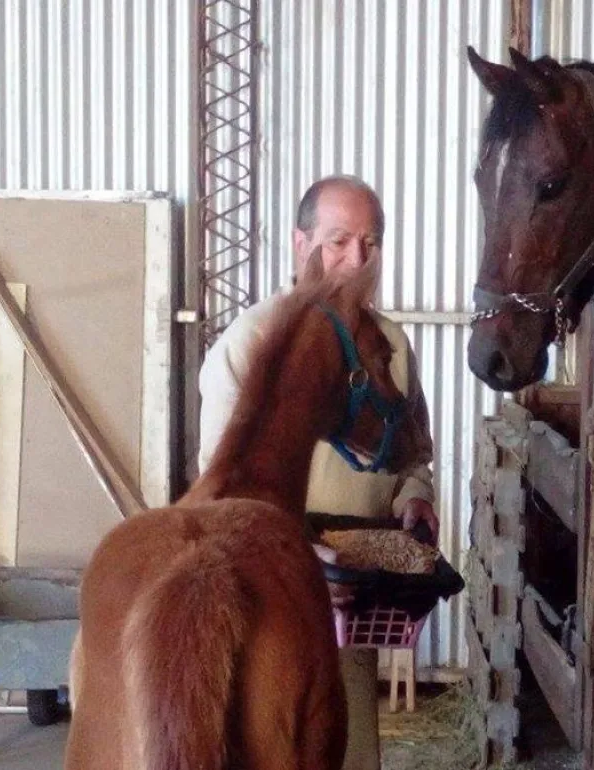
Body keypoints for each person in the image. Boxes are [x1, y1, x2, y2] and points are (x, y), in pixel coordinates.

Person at [197, 175, 438, 770]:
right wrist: (302, 557)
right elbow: (222, 486)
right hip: (268, 600)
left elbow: (415, 457)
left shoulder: (392, 345)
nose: (357, 260)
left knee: (351, 746)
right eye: (338, 241)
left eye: (370, 242)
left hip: (357, 592)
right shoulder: (249, 344)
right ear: (300, 245)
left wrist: (414, 499)